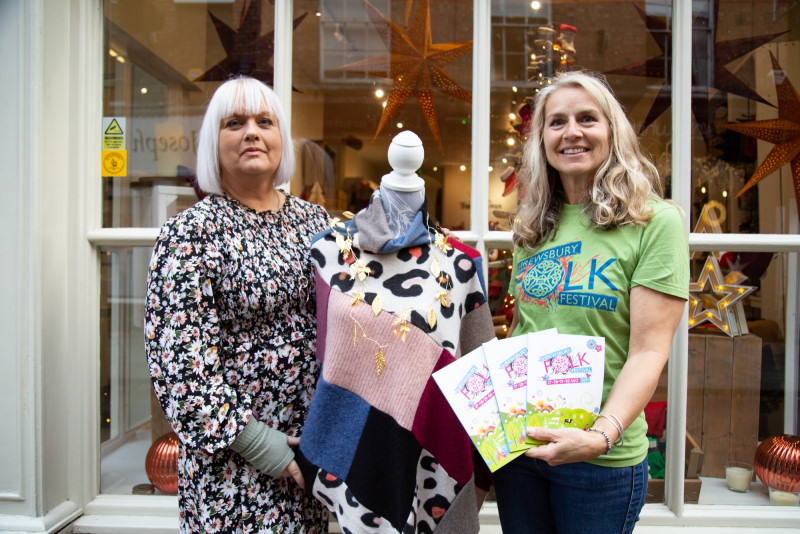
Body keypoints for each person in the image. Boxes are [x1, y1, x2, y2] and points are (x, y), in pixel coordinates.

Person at [494, 71, 689, 533]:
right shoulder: (534, 226)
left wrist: (600, 436)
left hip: (599, 460)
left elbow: (648, 352)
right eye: (556, 122)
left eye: (587, 118)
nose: (572, 132)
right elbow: (527, 333)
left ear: (612, 131)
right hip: (524, 447)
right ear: (541, 139)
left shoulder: (654, 221)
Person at [143, 76, 329, 533]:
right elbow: (180, 368)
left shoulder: (316, 222)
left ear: (280, 137)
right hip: (234, 465)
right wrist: (262, 445)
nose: (252, 132)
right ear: (213, 141)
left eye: (265, 121)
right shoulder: (190, 234)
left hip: (311, 455)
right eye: (235, 123)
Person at [295, 131, 494, 533]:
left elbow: (478, 379)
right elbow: (320, 361)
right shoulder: (327, 253)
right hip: (354, 440)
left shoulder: (462, 265)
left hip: (429, 450)